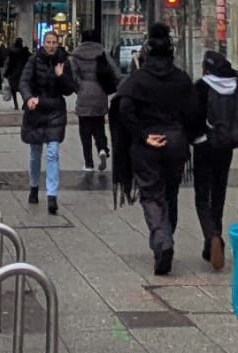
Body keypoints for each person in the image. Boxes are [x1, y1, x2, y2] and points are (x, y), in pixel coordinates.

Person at [116, 23, 201, 275]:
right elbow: (193, 113)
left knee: (152, 193)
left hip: (146, 144)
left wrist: (143, 134)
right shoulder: (181, 78)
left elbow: (124, 109)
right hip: (175, 142)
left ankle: (163, 239)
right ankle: (165, 238)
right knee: (170, 193)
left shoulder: (137, 79)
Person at [193, 49, 238, 269]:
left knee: (202, 194)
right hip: (226, 146)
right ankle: (216, 231)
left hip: (205, 146)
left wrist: (195, 137)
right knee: (219, 192)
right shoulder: (236, 87)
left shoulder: (202, 87)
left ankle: (211, 236)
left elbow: (193, 116)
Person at [19, 30, 76, 214]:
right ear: (43, 43)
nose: (51, 45)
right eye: (48, 42)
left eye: (54, 42)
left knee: (52, 153)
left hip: (54, 112)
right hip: (36, 111)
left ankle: (52, 195)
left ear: (58, 44)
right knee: (35, 153)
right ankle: (34, 187)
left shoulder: (63, 62)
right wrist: (28, 98)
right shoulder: (34, 60)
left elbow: (69, 89)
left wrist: (61, 76)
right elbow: (24, 82)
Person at [70, 28, 118, 180]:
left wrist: (79, 87)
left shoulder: (76, 54)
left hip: (84, 93)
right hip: (100, 93)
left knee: (84, 130)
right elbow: (115, 72)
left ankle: (88, 163)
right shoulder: (103, 52)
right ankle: (102, 148)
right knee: (98, 125)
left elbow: (72, 75)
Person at [4, 36, 29, 109]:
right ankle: (25, 102)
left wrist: (6, 73)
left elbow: (10, 64)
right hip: (23, 72)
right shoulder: (25, 51)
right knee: (22, 88)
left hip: (13, 73)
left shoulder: (12, 52)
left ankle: (16, 104)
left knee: (13, 89)